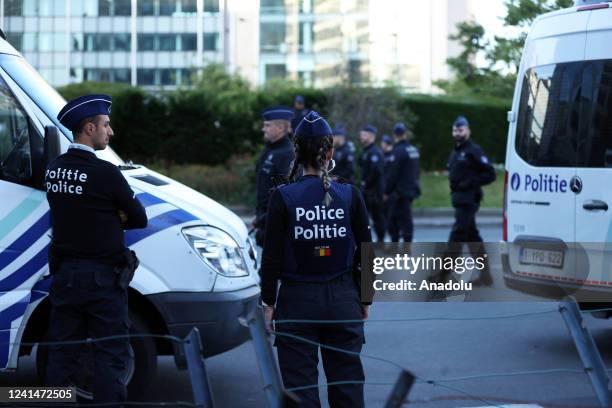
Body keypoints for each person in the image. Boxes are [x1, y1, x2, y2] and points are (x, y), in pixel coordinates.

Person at [260, 111, 372, 408]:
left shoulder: (283, 197)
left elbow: (270, 258)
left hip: (297, 303)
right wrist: (365, 298)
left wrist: (268, 303)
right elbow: (366, 250)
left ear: (295, 150)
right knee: (347, 388)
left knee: (300, 392)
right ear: (331, 151)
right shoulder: (350, 194)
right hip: (343, 299)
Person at [44, 94, 148, 405]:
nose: (110, 132)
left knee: (61, 357)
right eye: (106, 126)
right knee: (110, 356)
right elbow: (139, 217)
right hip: (103, 281)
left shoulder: (53, 169)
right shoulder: (106, 173)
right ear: (89, 128)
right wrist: (112, 215)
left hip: (65, 278)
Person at [446, 116, 496, 286]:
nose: (457, 133)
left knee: (457, 236)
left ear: (468, 131)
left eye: (460, 130)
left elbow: (490, 174)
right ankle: (486, 276)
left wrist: (471, 182)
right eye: (455, 130)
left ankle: (443, 275)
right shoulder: (456, 151)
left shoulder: (474, 150)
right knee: (472, 238)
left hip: (469, 200)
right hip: (459, 200)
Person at [253, 106, 295, 247]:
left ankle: (368, 268)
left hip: (276, 223)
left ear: (281, 128)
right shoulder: (270, 149)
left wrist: (263, 219)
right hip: (266, 220)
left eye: (267, 125)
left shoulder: (287, 153)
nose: (263, 129)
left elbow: (286, 194)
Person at [384, 123, 421, 242]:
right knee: (405, 218)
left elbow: (392, 174)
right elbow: (416, 171)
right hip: (410, 189)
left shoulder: (397, 151)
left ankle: (403, 245)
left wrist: (386, 191)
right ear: (405, 134)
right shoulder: (413, 150)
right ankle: (406, 244)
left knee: (395, 219)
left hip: (399, 192)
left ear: (395, 135)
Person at [359, 125, 386, 242]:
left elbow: (375, 172)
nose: (361, 137)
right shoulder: (366, 151)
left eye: (364, 135)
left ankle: (381, 241)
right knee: (364, 218)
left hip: (374, 192)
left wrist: (365, 184)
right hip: (367, 191)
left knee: (377, 218)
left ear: (371, 136)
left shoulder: (374, 152)